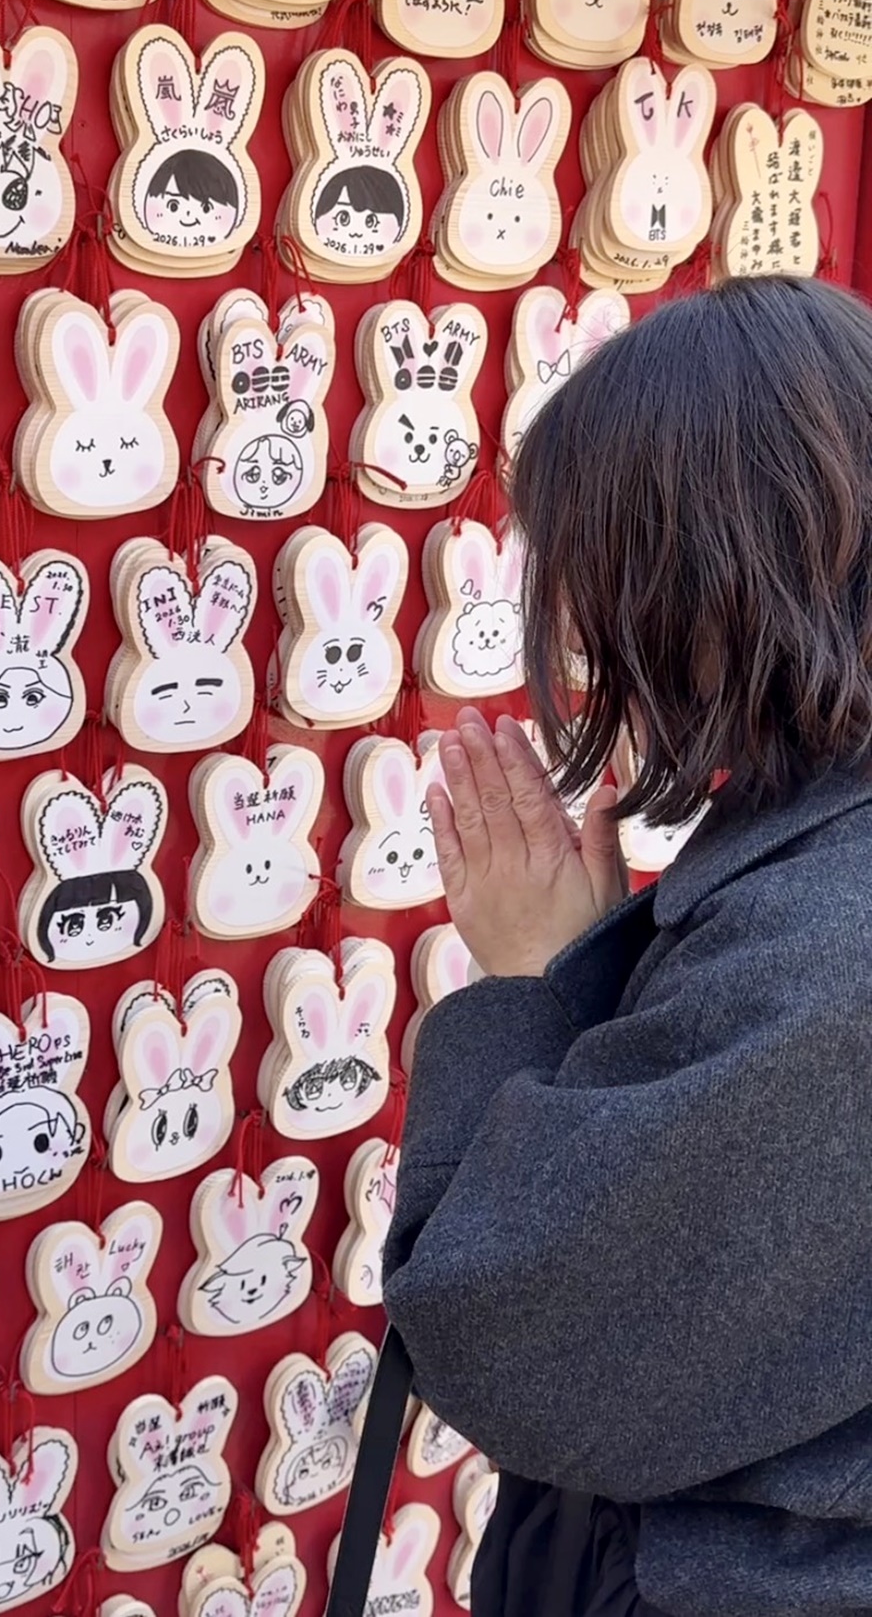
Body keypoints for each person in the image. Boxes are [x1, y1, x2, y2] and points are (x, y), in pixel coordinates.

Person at [382, 276, 872, 1617]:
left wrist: (536, 982)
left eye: (606, 574)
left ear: (724, 567)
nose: (587, 639)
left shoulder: (830, 952)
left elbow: (521, 1341)